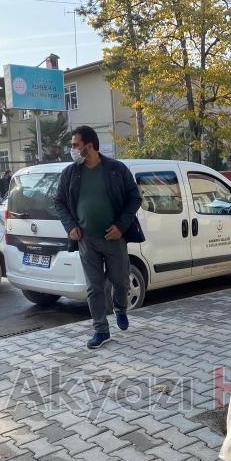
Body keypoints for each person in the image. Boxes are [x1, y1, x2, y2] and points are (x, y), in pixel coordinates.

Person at [54, 126, 144, 349]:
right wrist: (70, 226)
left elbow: (135, 198)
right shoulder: (70, 173)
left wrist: (121, 227)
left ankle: (120, 309)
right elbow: (59, 202)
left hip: (113, 238)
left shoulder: (116, 169)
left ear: (90, 146)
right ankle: (101, 330)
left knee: (120, 281)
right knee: (94, 287)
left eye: (75, 145)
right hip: (87, 240)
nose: (72, 149)